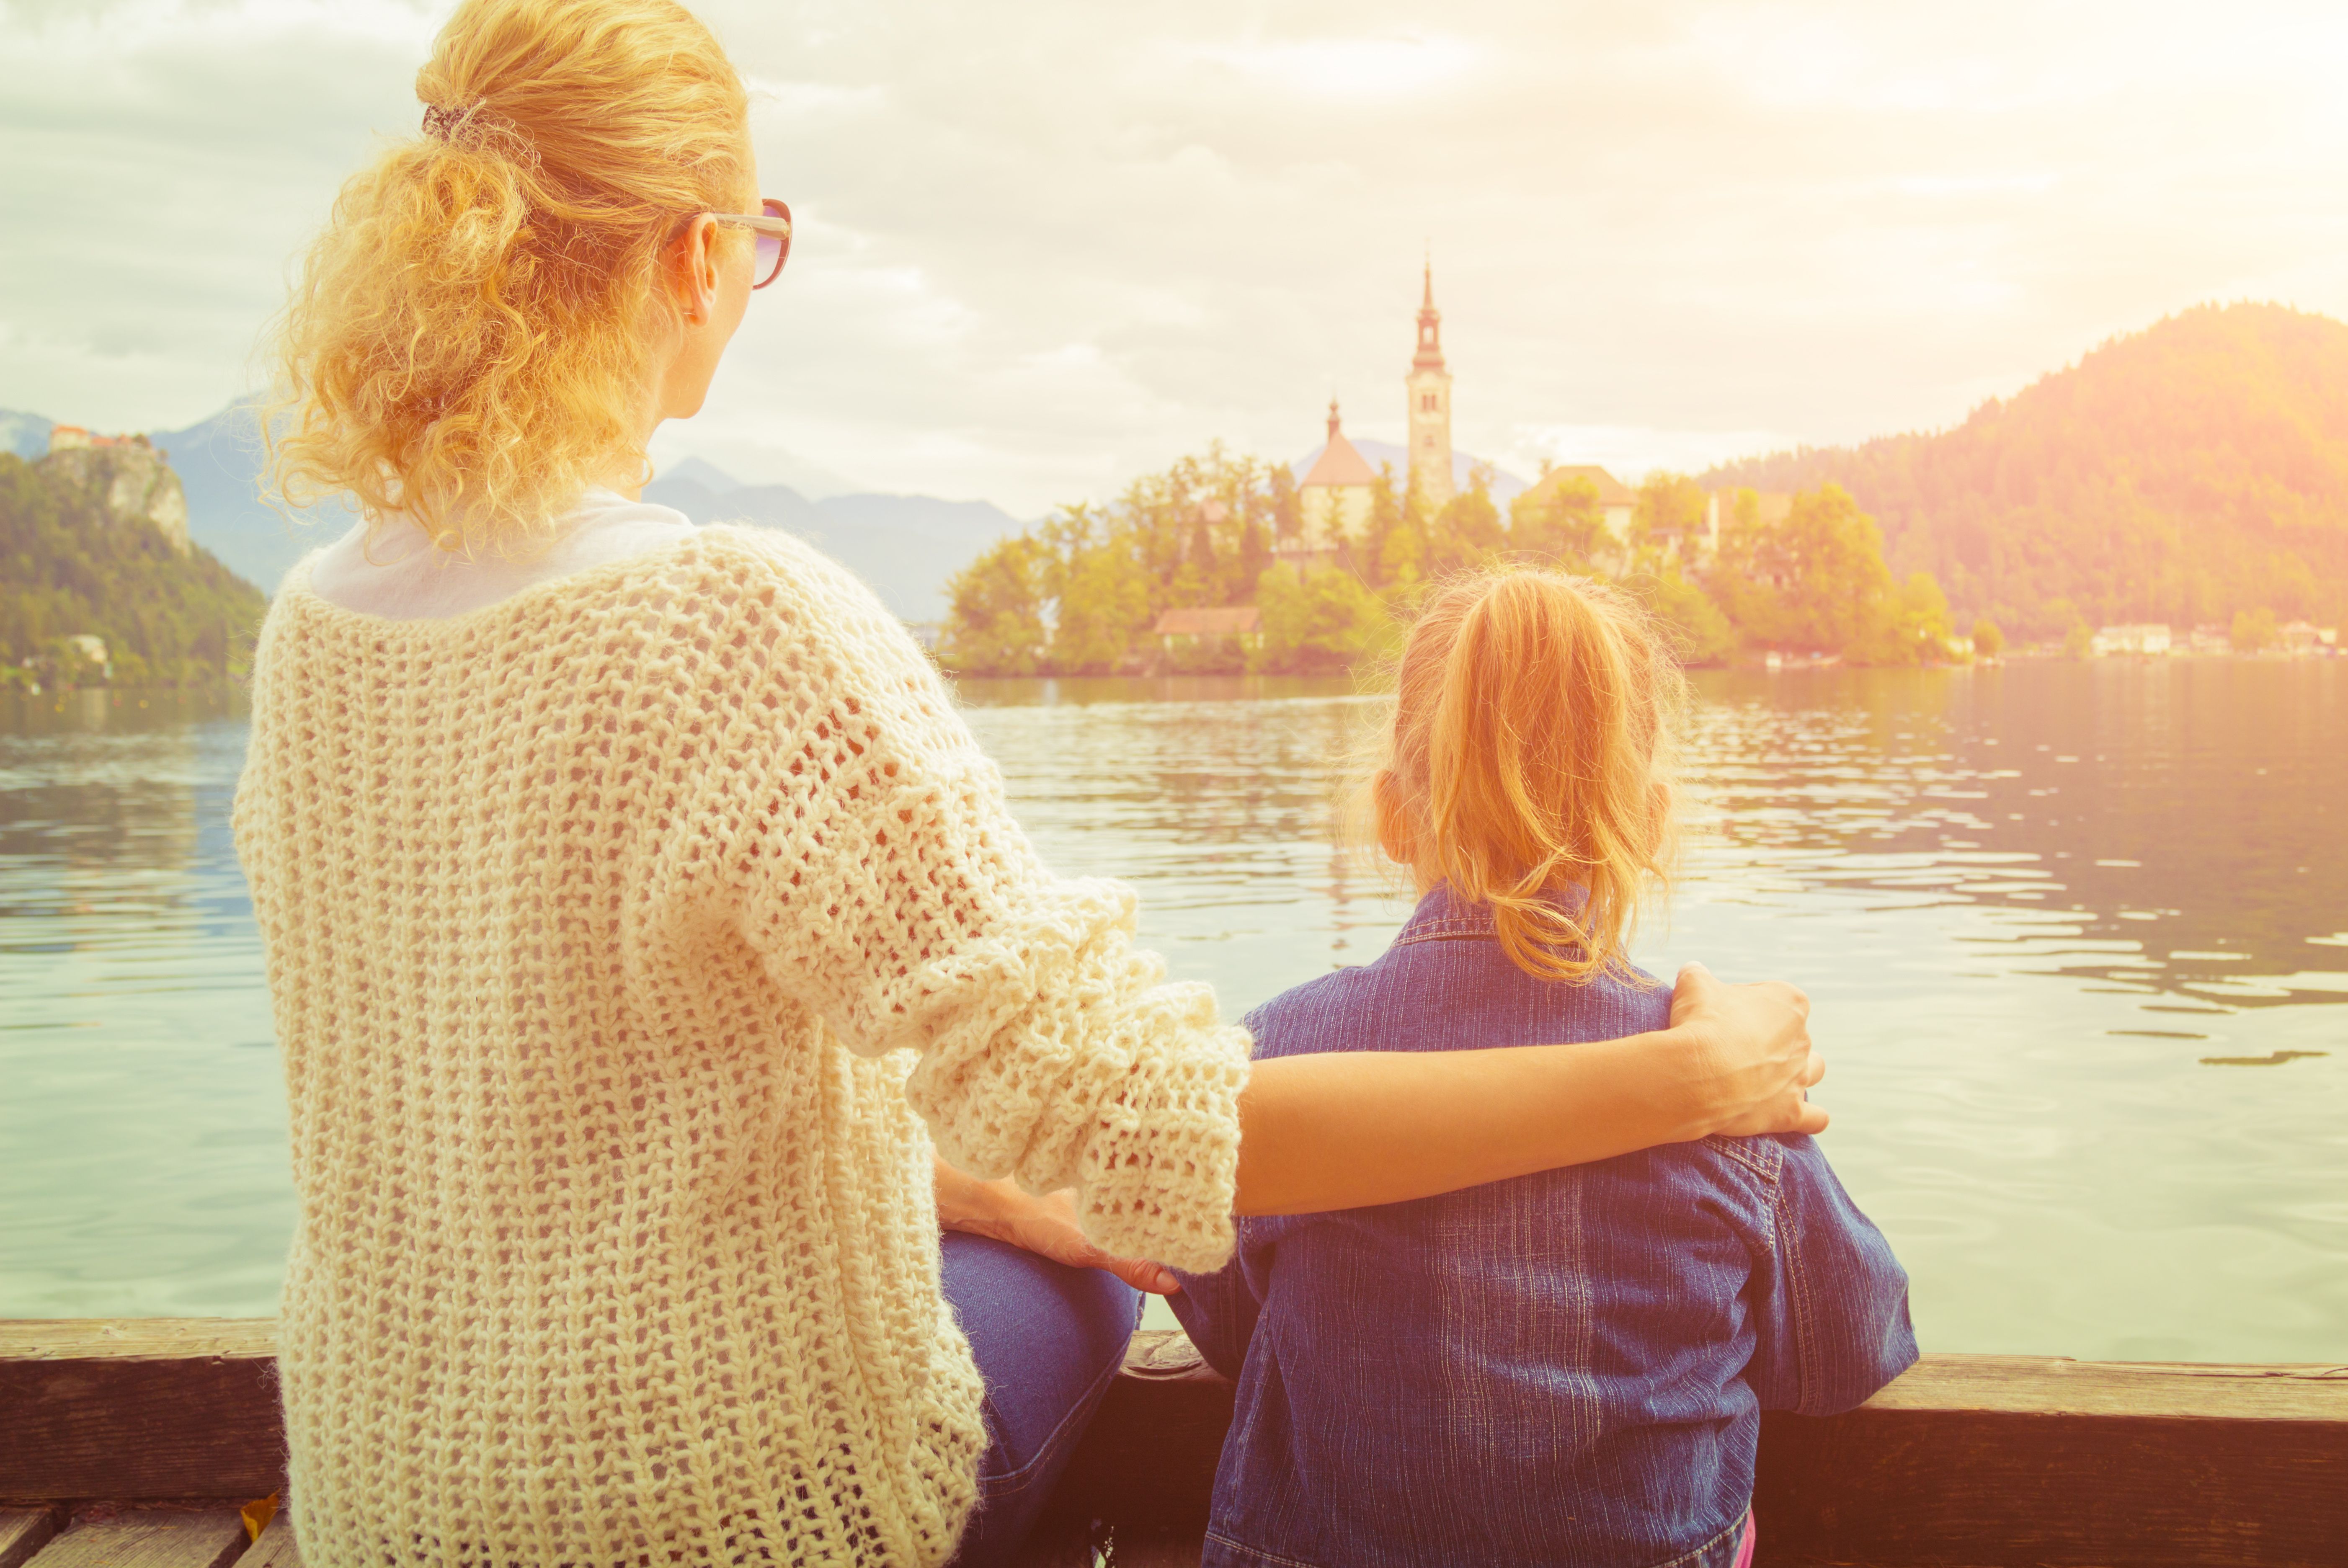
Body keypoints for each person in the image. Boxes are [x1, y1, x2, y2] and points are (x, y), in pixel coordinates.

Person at [235, 3, 1830, 1564]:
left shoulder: (313, 632)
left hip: (389, 1500)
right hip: (705, 1522)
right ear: (694, 255)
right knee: (1097, 1266)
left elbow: (568, 1104)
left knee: (1035, 1208)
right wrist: (1694, 1083)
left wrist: (972, 1188)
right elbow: (1164, 1127)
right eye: (758, 236)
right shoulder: (730, 621)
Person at [1169, 570, 1918, 1568]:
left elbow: (1224, 1325)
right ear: (1648, 824)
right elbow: (1846, 1349)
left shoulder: (1283, 1055)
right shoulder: (1729, 1086)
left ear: (1394, 818)